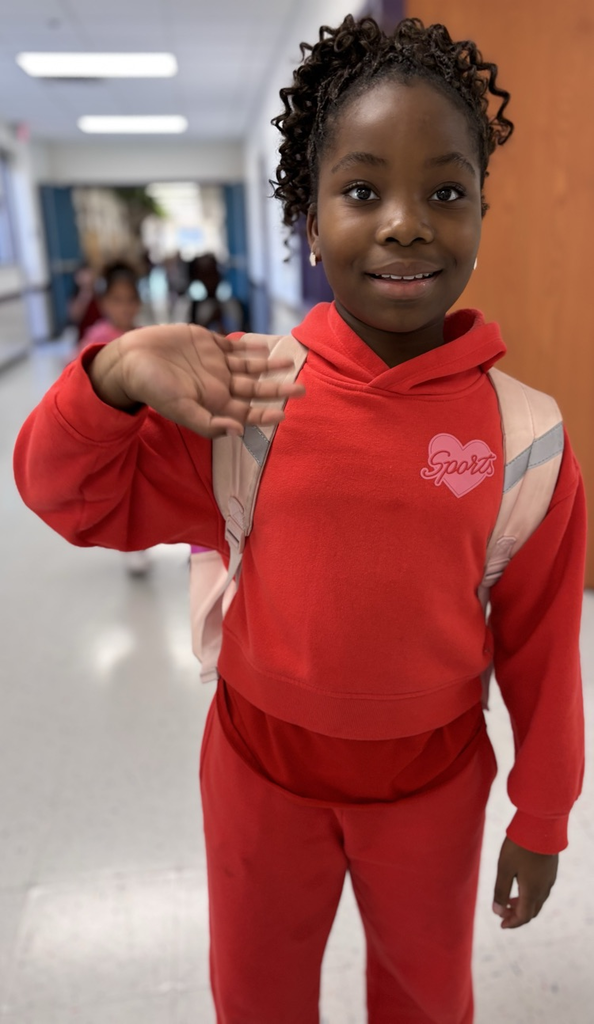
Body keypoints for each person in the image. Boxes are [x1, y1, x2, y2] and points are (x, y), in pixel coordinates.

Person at [13, 15, 586, 1024]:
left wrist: (542, 813)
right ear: (310, 222)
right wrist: (108, 375)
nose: (406, 222)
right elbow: (67, 496)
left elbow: (542, 647)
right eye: (362, 190)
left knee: (424, 996)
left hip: (433, 787)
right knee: (258, 996)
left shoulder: (527, 435)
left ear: (484, 211)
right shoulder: (246, 398)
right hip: (258, 776)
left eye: (446, 191)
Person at [80, 261, 150, 577]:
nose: (124, 308)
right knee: (119, 490)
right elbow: (79, 383)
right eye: (116, 300)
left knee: (140, 490)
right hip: (109, 430)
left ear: (138, 303)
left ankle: (139, 543)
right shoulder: (96, 338)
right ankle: (129, 545)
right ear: (105, 303)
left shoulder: (144, 337)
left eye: (130, 300)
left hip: (139, 429)